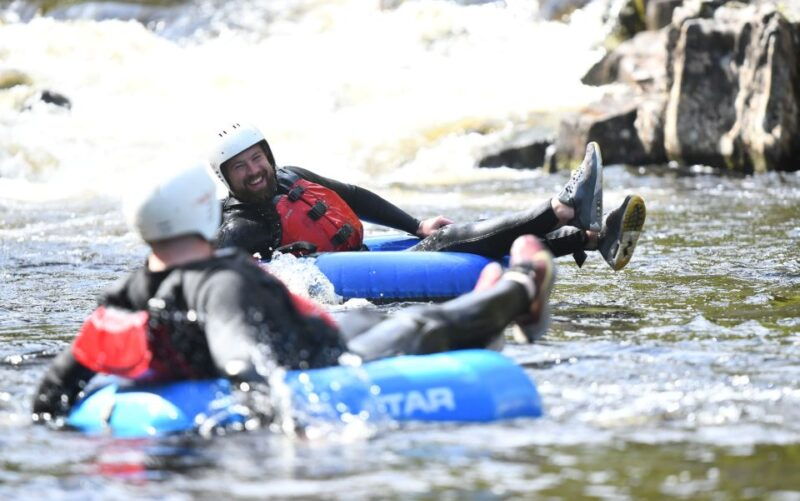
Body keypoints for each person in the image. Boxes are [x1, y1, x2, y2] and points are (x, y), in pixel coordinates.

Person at [31, 164, 555, 422]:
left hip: (321, 330)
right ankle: (520, 283)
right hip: (322, 353)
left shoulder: (127, 290)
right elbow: (244, 362)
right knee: (420, 327)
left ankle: (500, 297)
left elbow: (55, 387)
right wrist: (292, 431)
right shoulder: (222, 281)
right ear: (203, 214)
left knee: (380, 324)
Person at [209, 123, 646, 271]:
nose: (254, 171)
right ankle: (564, 209)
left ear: (268, 154)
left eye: (257, 158)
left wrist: (414, 226)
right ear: (227, 178)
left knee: (444, 238)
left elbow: (355, 197)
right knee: (445, 246)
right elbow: (217, 274)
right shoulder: (240, 228)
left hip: (364, 259)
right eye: (240, 167)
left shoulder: (290, 178)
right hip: (354, 292)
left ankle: (590, 239)